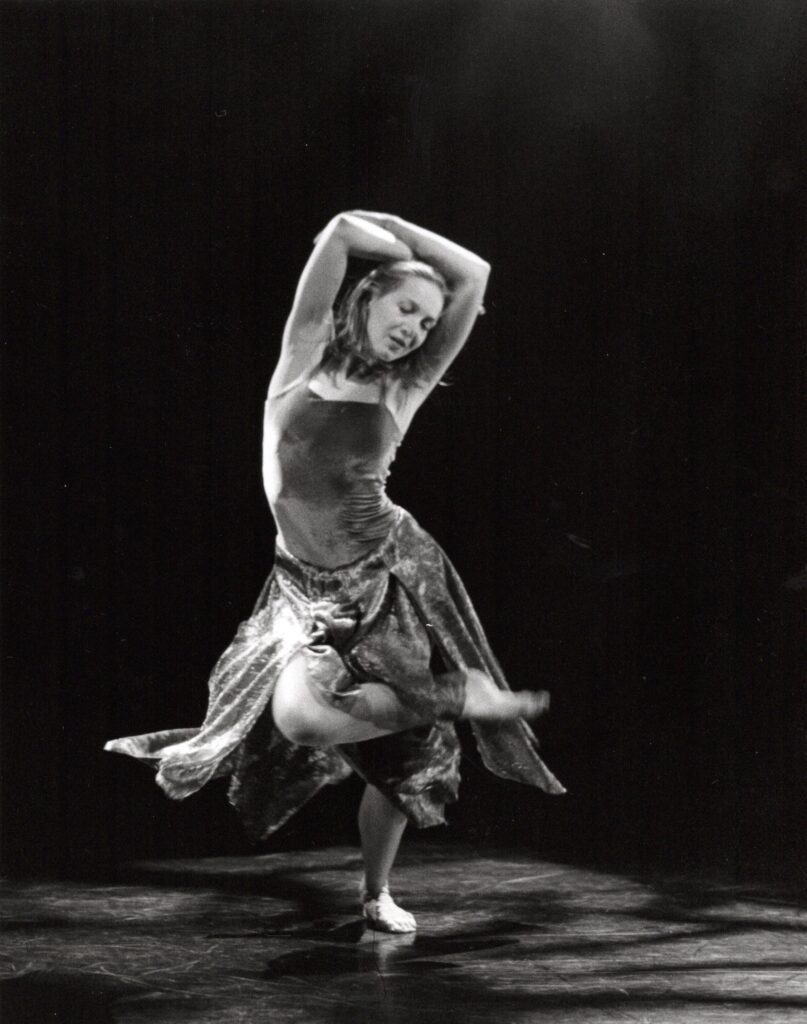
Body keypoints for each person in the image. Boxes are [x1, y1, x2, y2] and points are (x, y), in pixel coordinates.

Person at [106, 212, 565, 933]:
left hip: (383, 582)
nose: (415, 330)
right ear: (366, 298)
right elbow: (341, 231)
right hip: (302, 590)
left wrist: (412, 257)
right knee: (302, 721)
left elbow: (474, 274)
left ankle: (375, 892)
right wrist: (394, 237)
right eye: (405, 309)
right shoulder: (300, 362)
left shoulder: (402, 389)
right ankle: (457, 694)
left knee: (401, 761)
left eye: (427, 322)